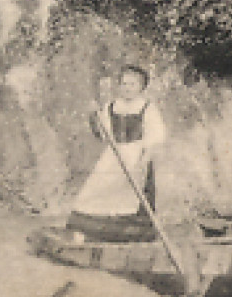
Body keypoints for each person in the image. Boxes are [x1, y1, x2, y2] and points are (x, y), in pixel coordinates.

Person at [65, 65, 166, 243]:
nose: (127, 88)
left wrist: (145, 157)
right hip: (115, 155)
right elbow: (104, 134)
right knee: (98, 188)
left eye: (132, 84)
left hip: (136, 154)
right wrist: (95, 120)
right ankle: (91, 229)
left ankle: (132, 233)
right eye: (124, 84)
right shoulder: (112, 106)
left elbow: (156, 134)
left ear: (142, 87)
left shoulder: (147, 107)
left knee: (132, 194)